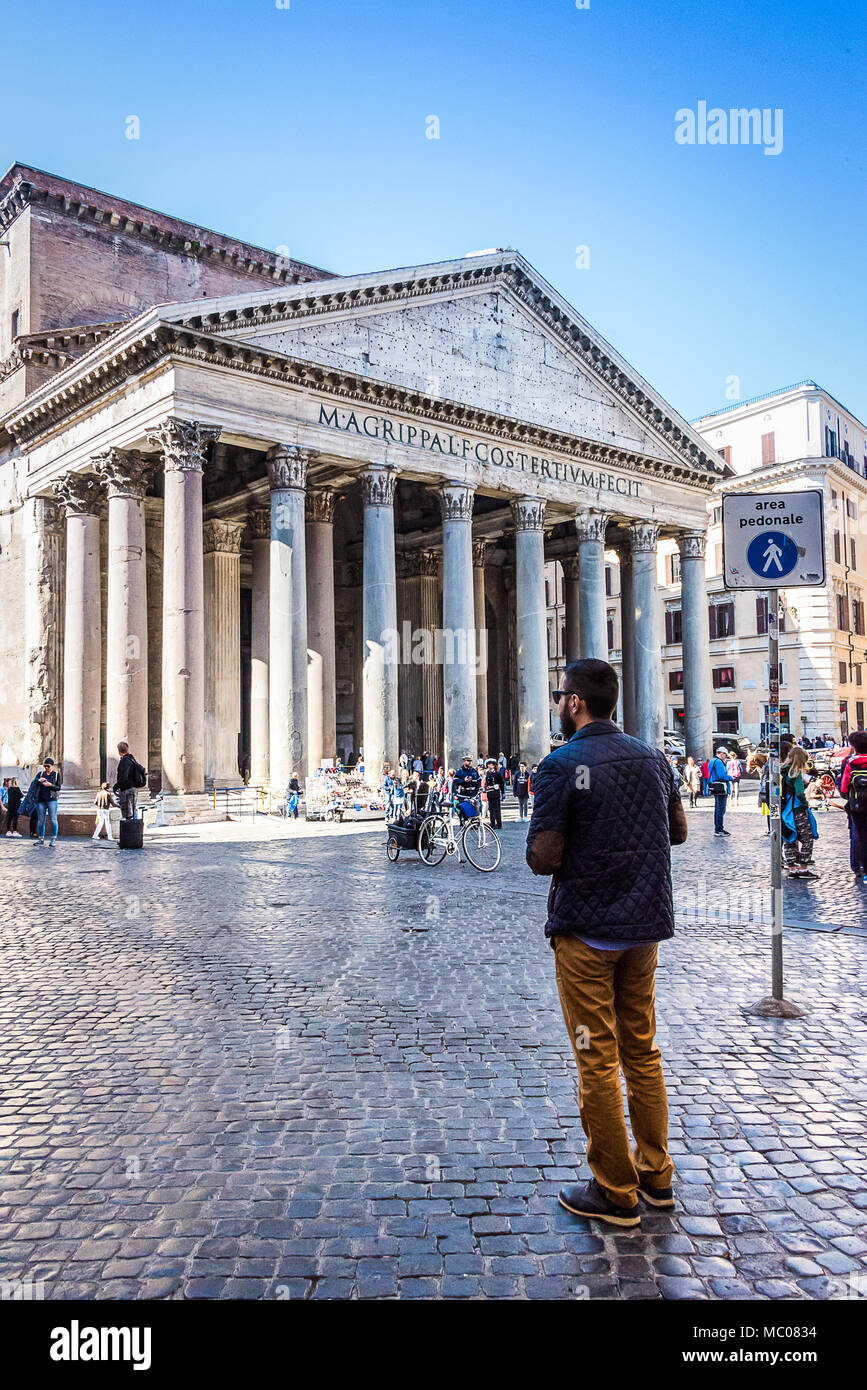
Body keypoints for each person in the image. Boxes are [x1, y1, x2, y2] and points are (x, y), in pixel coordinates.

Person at [527, 659, 687, 1227]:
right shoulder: (654, 759)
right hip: (643, 933)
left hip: (587, 939)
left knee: (596, 1058)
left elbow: (543, 857)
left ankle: (616, 1190)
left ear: (574, 703)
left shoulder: (561, 765)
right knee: (641, 1049)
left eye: (558, 696)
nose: (557, 704)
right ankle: (656, 1175)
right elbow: (680, 832)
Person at [780, 745, 817, 878]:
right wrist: (806, 805)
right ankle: (803, 868)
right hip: (797, 809)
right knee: (807, 838)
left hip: (785, 810)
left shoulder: (781, 771)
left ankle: (792, 869)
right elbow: (800, 793)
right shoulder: (795, 774)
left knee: (790, 838)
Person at [840, 730, 867, 882]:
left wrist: (847, 798)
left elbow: (843, 787)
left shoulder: (849, 761)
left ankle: (859, 866)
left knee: (859, 836)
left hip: (856, 805)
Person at [26, 757, 61, 847]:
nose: (46, 768)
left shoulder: (56, 775)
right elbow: (33, 782)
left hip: (52, 800)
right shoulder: (40, 773)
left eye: (48, 766)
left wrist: (50, 785)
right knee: (41, 821)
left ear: (52, 766)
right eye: (44, 766)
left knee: (53, 820)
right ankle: (41, 839)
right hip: (40, 800)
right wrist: (38, 780)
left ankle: (53, 839)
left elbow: (58, 787)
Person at [113, 741, 144, 820]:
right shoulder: (132, 759)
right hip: (133, 788)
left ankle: (129, 830)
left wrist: (116, 787)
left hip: (126, 789)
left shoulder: (124, 761)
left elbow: (124, 776)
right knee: (132, 810)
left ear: (119, 751)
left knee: (127, 812)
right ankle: (134, 828)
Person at [706, 748, 732, 835]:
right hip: (721, 787)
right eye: (725, 755)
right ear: (722, 754)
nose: (726, 757)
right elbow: (722, 775)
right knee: (721, 809)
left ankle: (718, 828)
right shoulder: (719, 762)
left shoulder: (712, 761)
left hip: (715, 787)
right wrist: (730, 777)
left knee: (718, 809)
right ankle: (719, 829)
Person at [482, 759, 504, 829]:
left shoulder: (497, 773)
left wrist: (502, 792)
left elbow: (502, 783)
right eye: (488, 764)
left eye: (490, 764)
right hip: (489, 792)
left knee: (497, 809)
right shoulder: (488, 773)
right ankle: (492, 823)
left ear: (493, 765)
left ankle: (499, 823)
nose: (489, 765)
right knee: (490, 808)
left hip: (496, 792)